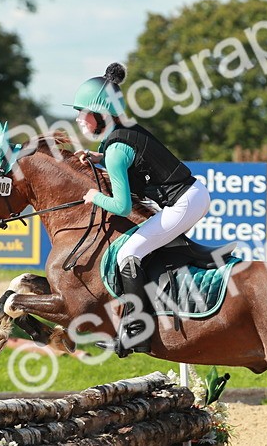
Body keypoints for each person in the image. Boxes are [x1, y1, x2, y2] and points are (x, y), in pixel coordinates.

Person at [68, 62, 211, 357]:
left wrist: (94, 196)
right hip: (191, 195)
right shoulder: (121, 134)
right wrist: (97, 156)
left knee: (127, 253)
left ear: (102, 114)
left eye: (84, 114)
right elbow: (123, 155)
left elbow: (120, 206)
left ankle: (136, 331)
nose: (80, 120)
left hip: (183, 202)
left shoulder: (117, 149)